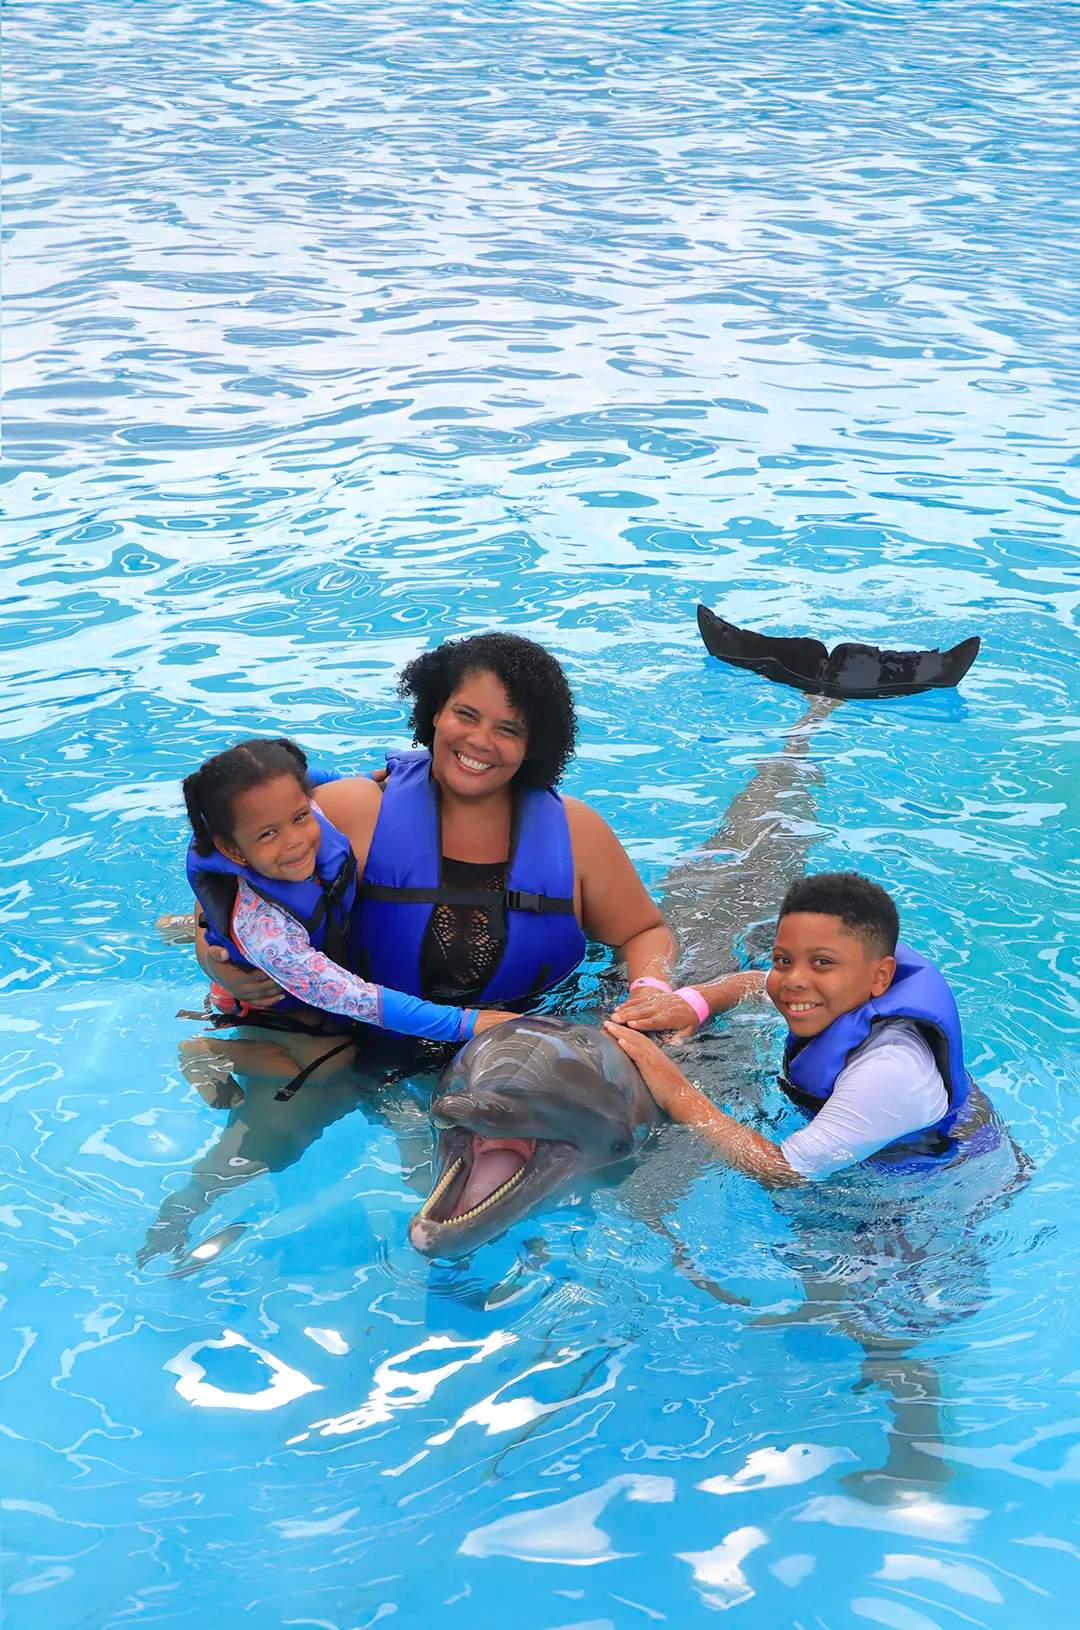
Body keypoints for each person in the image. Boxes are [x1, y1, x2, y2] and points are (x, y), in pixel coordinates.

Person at [197, 632, 675, 1017]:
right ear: (434, 712)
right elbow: (235, 875)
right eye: (466, 715)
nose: (480, 741)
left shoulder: (577, 833)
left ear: (535, 745)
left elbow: (643, 932)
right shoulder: (356, 809)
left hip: (525, 1040)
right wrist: (214, 961)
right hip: (361, 1040)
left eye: (508, 729)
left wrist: (650, 990)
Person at [606, 871, 995, 1183]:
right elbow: (755, 983)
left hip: (933, 1179)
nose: (793, 980)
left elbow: (784, 1171)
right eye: (783, 960)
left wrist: (676, 1092)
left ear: (881, 977)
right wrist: (694, 1003)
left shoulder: (889, 1072)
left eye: (822, 963)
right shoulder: (848, 983)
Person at [183, 737, 512, 1058]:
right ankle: (208, 1053)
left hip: (311, 936)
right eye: (268, 834)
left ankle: (180, 926)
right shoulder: (266, 931)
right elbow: (354, 998)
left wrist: (362, 779)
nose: (295, 840)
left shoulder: (288, 807)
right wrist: (465, 1023)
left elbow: (311, 779)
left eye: (300, 817)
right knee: (334, 1064)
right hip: (269, 1004)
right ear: (232, 850)